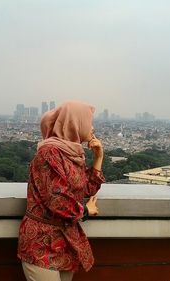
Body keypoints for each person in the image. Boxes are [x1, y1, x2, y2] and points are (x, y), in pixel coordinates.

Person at [17, 101, 105, 281]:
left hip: (65, 239)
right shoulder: (50, 153)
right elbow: (58, 202)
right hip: (42, 240)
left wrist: (98, 158)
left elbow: (85, 189)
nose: (92, 127)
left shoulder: (72, 153)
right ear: (75, 122)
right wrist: (86, 210)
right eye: (88, 121)